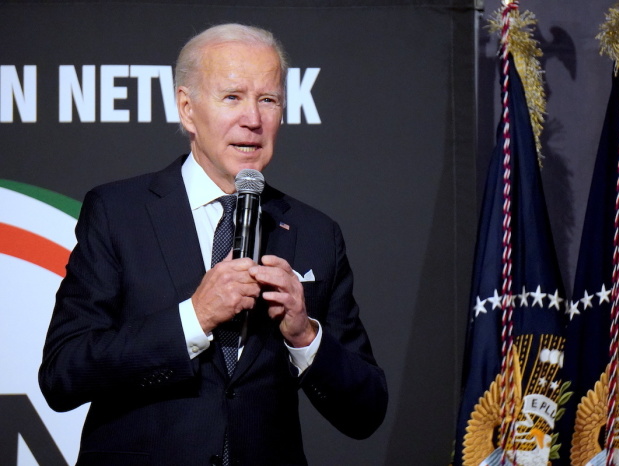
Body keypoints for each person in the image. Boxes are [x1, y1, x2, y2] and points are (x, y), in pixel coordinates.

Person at [39, 23, 388, 466]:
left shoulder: (315, 232)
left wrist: (304, 336)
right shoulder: (117, 212)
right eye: (232, 97)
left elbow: (366, 412)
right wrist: (194, 318)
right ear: (187, 109)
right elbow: (63, 374)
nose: (253, 119)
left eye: (268, 99)